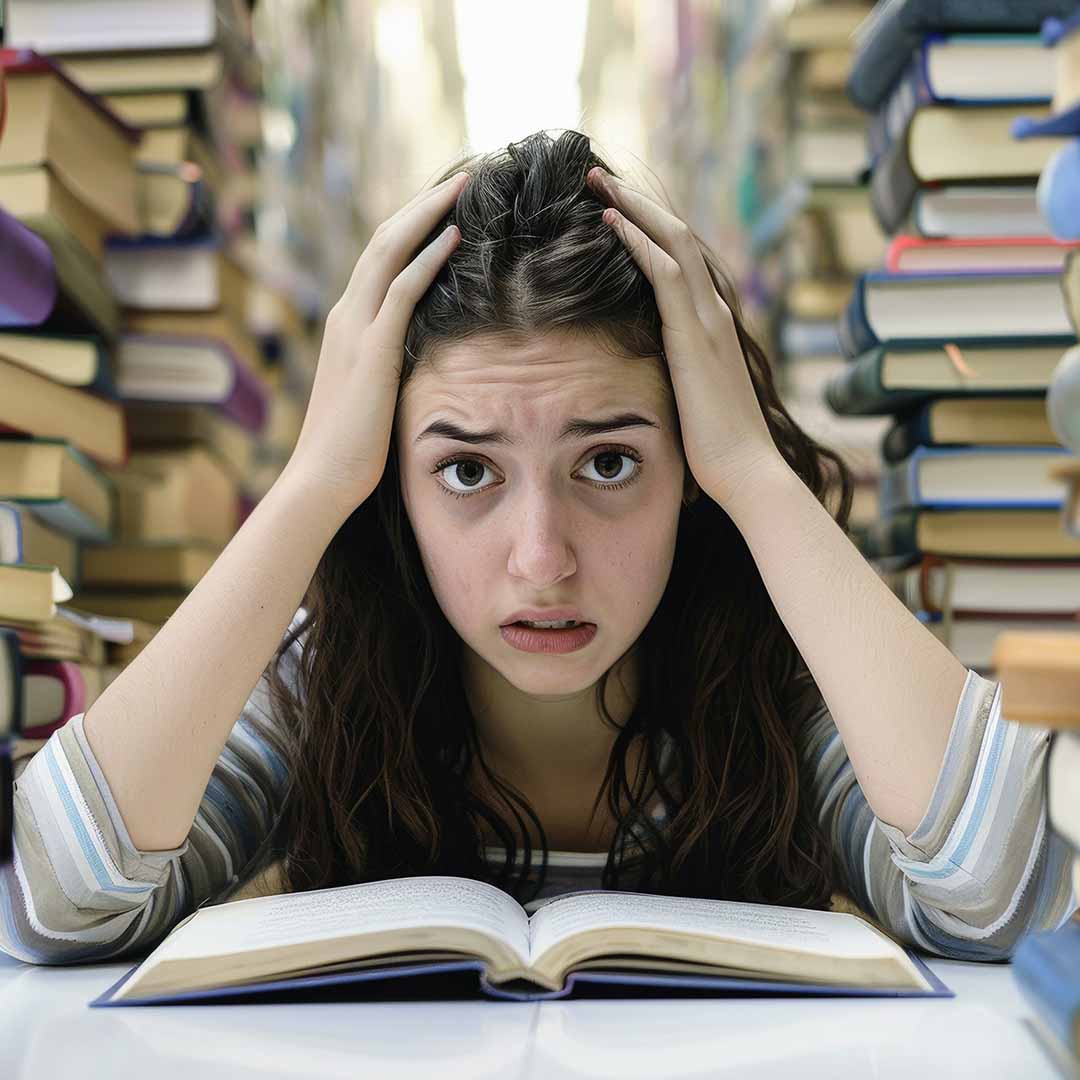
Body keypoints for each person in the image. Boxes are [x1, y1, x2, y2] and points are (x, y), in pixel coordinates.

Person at [1, 130, 1074, 966]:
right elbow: (64, 900)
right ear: (391, 480)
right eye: (465, 470)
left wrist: (753, 467)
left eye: (607, 463)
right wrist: (314, 481)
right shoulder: (324, 685)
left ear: (690, 466)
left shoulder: (786, 690)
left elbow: (1004, 894)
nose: (541, 560)